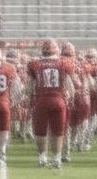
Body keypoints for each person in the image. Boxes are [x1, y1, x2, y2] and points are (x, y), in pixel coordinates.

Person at [27, 39, 74, 169]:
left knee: (40, 131)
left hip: (41, 100)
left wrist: (27, 96)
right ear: (56, 49)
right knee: (58, 131)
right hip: (58, 100)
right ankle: (56, 158)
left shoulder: (35, 64)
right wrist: (70, 97)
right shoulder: (64, 63)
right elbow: (70, 85)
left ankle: (42, 157)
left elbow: (29, 86)